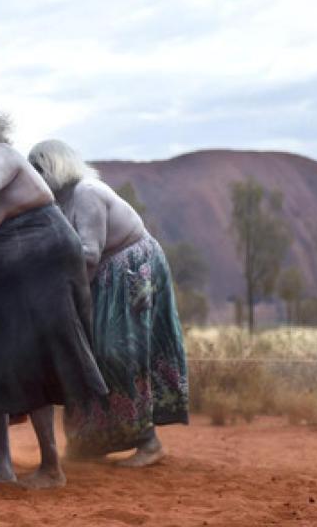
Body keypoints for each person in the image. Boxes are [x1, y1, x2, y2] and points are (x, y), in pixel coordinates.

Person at [0, 106, 108, 487]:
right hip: (0, 273)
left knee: (38, 361)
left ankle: (51, 466)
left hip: (41, 263)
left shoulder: (2, 156)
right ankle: (4, 466)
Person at [28, 139, 189, 467]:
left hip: (128, 269)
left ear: (56, 166)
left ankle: (148, 443)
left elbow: (89, 252)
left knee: (119, 351)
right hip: (100, 276)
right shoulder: (56, 202)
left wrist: (59, 290)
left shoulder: (86, 192)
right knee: (89, 354)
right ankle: (94, 442)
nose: (34, 175)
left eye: (39, 168)